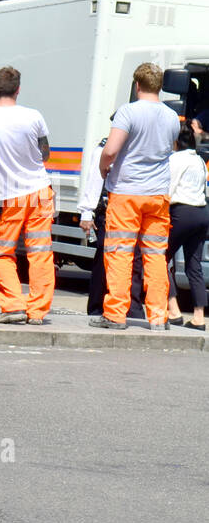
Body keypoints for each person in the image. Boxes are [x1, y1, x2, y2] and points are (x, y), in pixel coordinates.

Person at [92, 62, 180, 331]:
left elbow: (111, 150)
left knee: (120, 252)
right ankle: (157, 316)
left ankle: (116, 314)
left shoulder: (128, 112)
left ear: (137, 85)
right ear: (160, 86)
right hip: (158, 196)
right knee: (155, 255)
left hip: (128, 192)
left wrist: (103, 167)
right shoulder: (171, 117)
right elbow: (170, 149)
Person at [0, 67, 55, 325]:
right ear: (18, 89)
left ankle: (12, 306)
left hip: (11, 197)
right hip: (41, 192)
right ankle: (38, 312)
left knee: (0, 252)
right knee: (40, 252)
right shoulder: (34, 117)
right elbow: (45, 154)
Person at [164, 125, 208, 330]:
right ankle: (199, 317)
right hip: (202, 212)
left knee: (160, 258)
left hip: (182, 212)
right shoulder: (198, 159)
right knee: (194, 264)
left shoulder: (175, 159)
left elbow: (169, 189)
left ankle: (174, 311)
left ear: (175, 142)